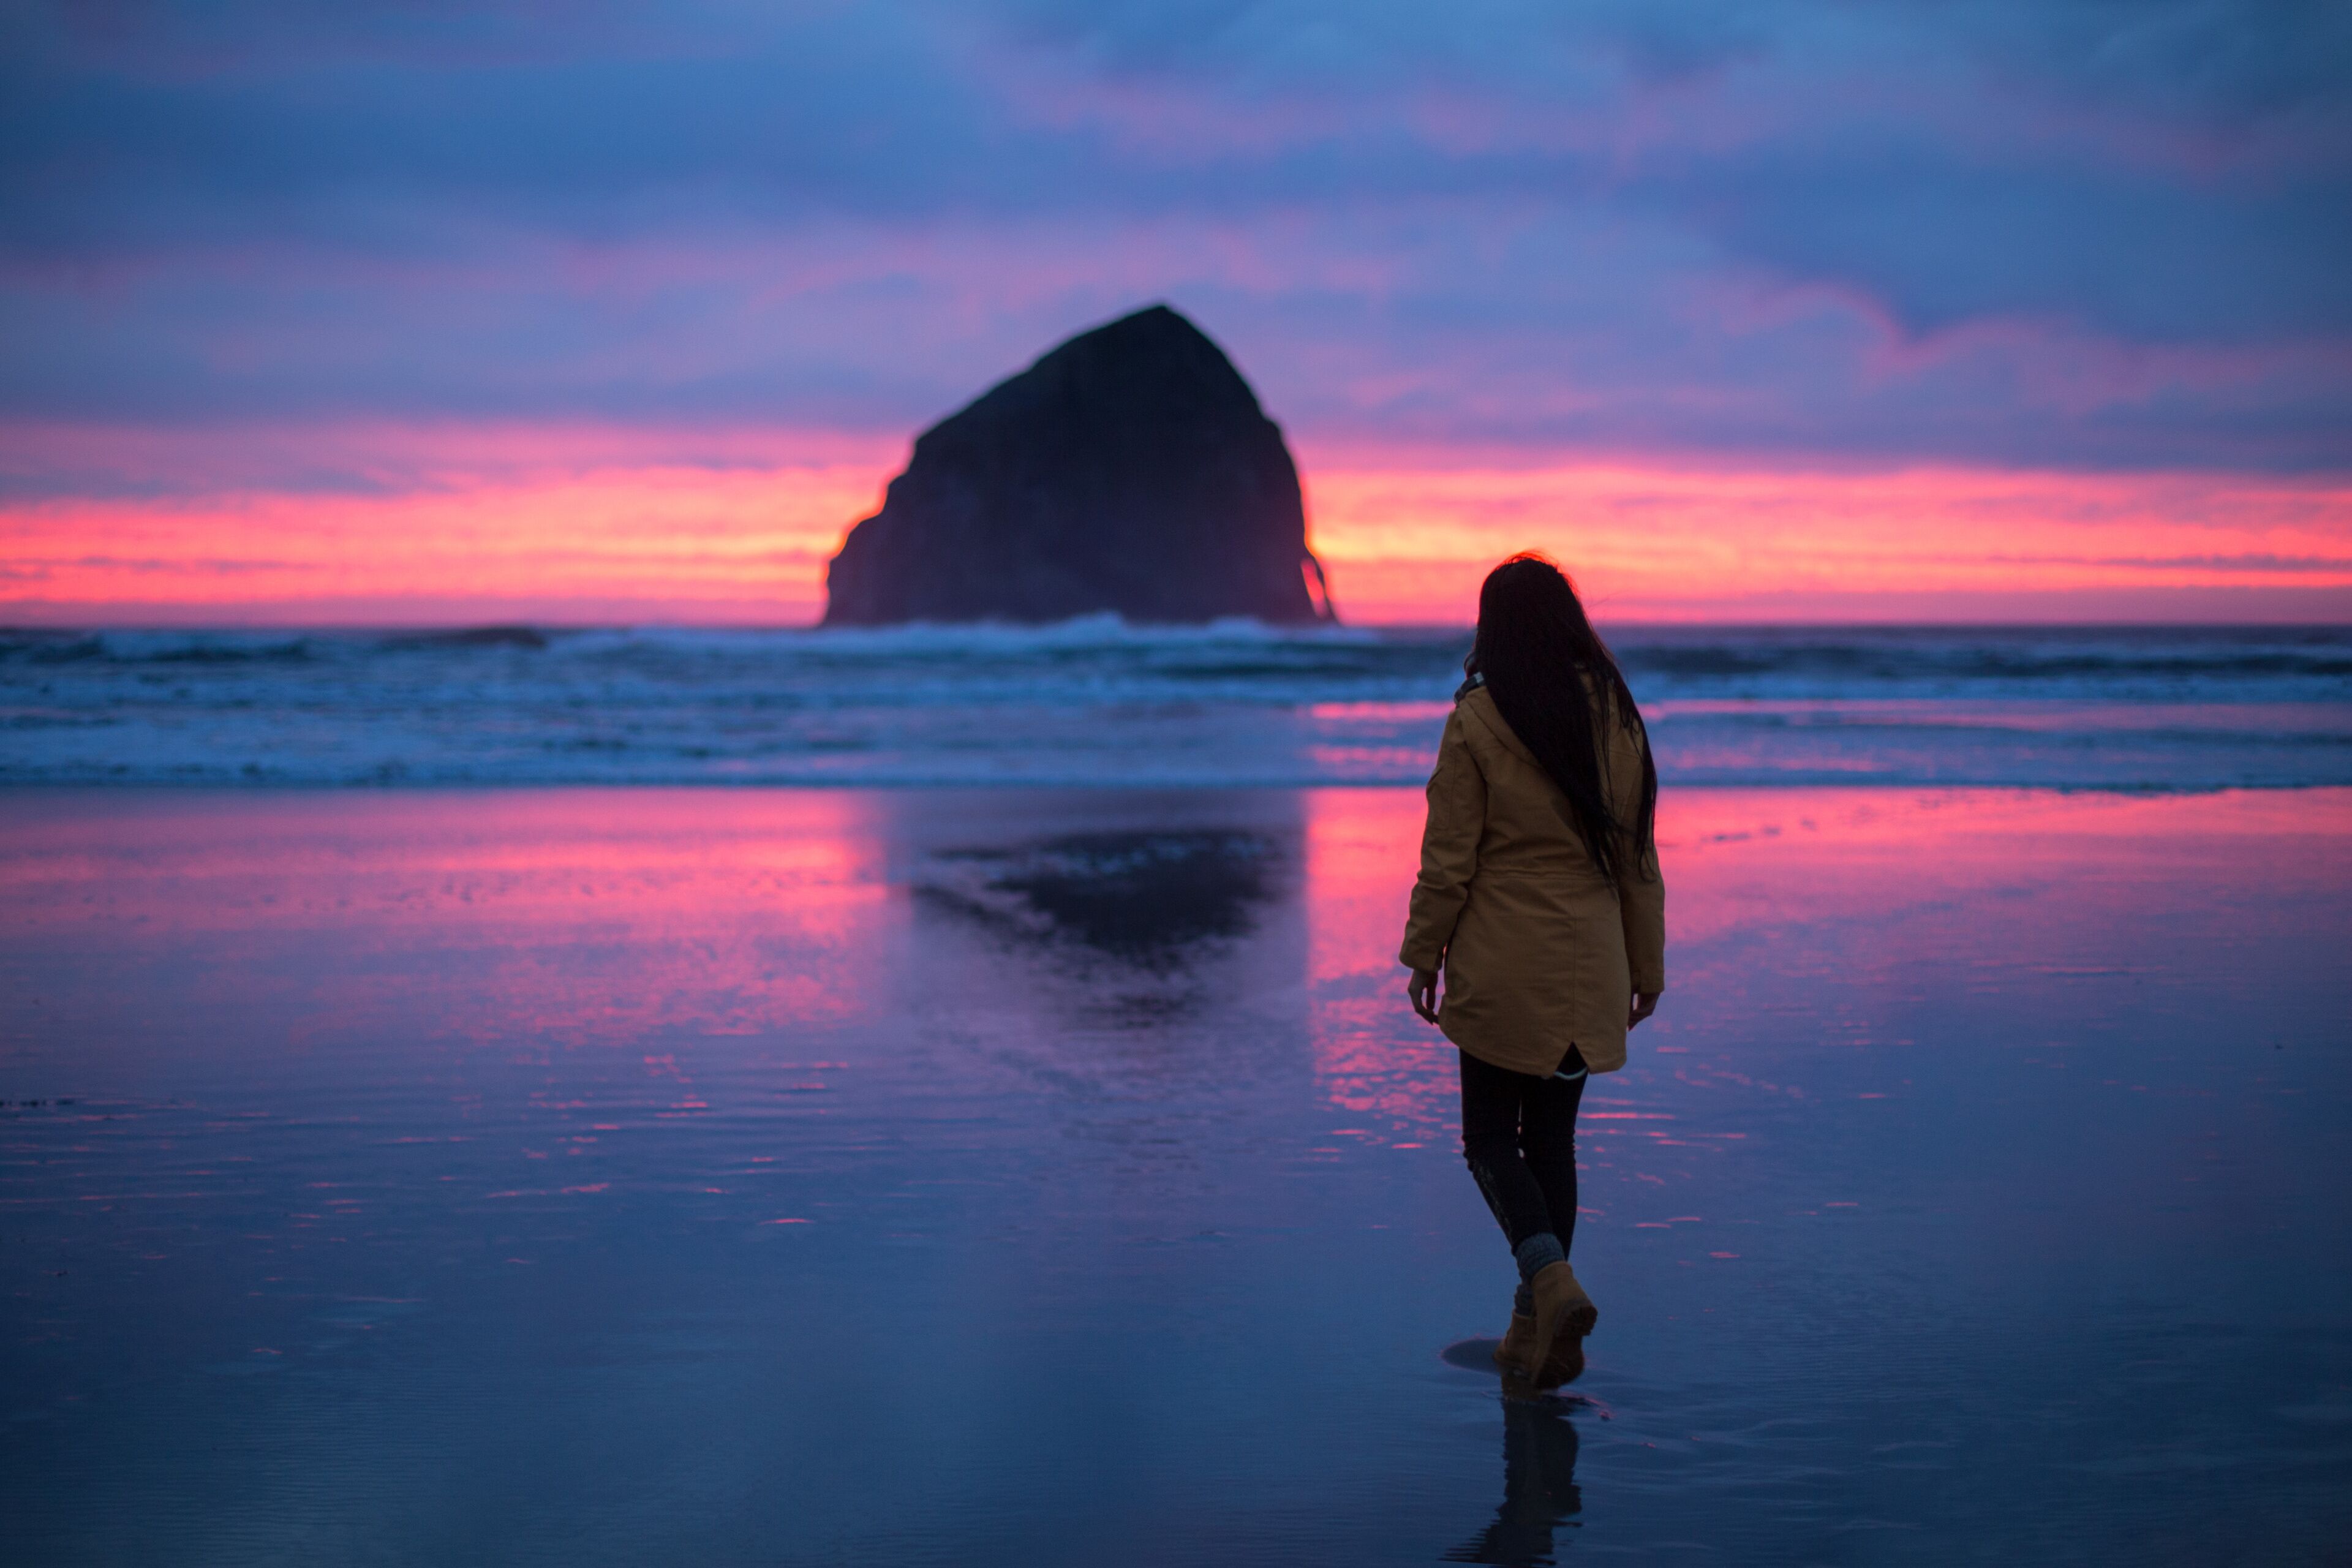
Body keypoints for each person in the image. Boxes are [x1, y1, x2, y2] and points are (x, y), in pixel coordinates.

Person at [1400, 553, 1665, 1387]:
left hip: (1503, 961)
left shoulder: (1477, 718)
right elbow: (1638, 858)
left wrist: (1421, 952)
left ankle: (1550, 1285)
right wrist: (1645, 963)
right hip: (1589, 958)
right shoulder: (1615, 716)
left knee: (1488, 1140)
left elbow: (1450, 859)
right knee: (1551, 1141)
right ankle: (1539, 1335)